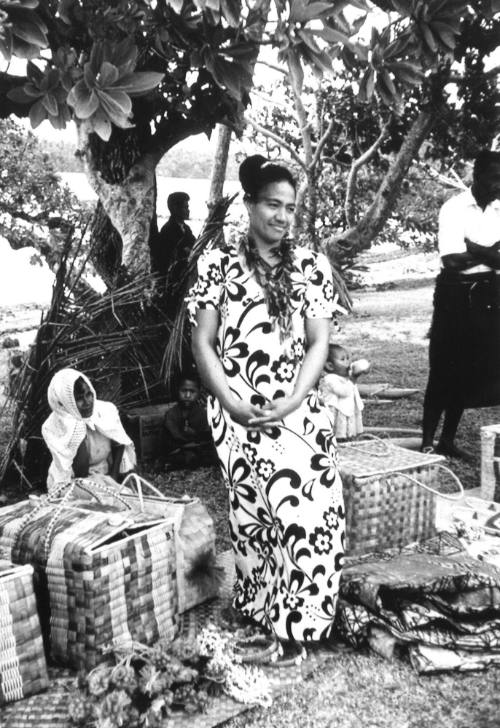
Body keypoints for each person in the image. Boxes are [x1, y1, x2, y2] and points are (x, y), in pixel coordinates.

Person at [187, 154, 345, 654]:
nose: (283, 216)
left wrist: (298, 396)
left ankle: (298, 631)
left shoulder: (310, 266)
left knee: (311, 512)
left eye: (291, 208)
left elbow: (319, 342)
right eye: (273, 205)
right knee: (254, 515)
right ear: (250, 204)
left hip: (295, 410)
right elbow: (202, 343)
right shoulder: (218, 265)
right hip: (236, 411)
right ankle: (260, 610)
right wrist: (230, 402)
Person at [422, 150, 500, 460]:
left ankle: (448, 440)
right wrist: (490, 253)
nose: (499, 185)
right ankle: (428, 440)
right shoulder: (453, 209)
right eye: (495, 178)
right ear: (476, 176)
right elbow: (452, 261)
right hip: (455, 295)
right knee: (443, 366)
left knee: (469, 368)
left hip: (491, 295)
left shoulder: (498, 210)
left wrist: (474, 247)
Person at [41, 368, 136, 496]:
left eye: (88, 394)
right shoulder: (52, 427)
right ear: (66, 402)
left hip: (104, 475)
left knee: (126, 496)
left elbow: (118, 444)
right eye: (79, 399)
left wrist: (113, 479)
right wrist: (76, 426)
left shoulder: (105, 411)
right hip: (71, 481)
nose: (87, 402)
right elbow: (81, 471)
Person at [163, 373, 217, 469]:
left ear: (199, 393)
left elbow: (206, 436)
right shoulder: (171, 414)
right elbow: (174, 438)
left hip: (198, 449)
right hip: (179, 450)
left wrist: (196, 436)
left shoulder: (202, 414)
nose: (187, 395)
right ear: (177, 391)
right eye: (184, 391)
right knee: (182, 457)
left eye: (192, 391)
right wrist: (192, 438)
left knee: (211, 455)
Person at [320, 344, 369, 440]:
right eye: (343, 360)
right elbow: (344, 392)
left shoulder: (345, 376)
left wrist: (363, 369)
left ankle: (350, 437)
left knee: (349, 428)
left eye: (348, 358)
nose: (348, 362)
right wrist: (353, 379)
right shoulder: (330, 379)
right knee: (339, 431)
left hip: (346, 409)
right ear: (330, 366)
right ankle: (340, 440)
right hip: (337, 411)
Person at [152, 191, 196, 282]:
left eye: (188, 207)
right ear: (175, 208)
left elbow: (194, 245)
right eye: (185, 207)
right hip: (174, 278)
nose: (188, 210)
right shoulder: (168, 230)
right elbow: (169, 257)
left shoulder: (186, 228)